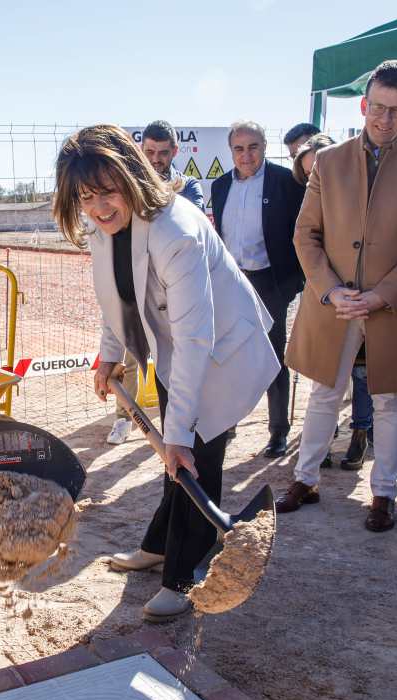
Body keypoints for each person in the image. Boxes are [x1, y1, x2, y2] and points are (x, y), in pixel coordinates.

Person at [53, 124, 278, 621]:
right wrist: (109, 352)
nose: (97, 206)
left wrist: (178, 433)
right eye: (85, 196)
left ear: (132, 177)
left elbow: (197, 338)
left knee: (195, 459)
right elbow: (118, 295)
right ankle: (160, 545)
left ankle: (183, 576)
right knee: (175, 459)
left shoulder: (175, 230)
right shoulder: (104, 226)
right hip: (173, 350)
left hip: (220, 354)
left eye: (106, 191)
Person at [277, 60, 397, 532]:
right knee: (324, 393)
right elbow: (305, 234)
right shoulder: (328, 162)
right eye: (378, 107)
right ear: (364, 104)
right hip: (333, 305)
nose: (385, 119)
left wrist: (381, 295)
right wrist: (331, 290)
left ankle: (384, 493)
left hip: (390, 306)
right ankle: (305, 479)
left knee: (391, 399)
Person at [210, 121, 306, 457]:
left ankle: (278, 431)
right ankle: (228, 422)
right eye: (239, 148)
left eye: (253, 147)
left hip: (270, 284)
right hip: (231, 282)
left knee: (273, 358)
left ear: (264, 147)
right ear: (231, 151)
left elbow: (304, 235)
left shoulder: (286, 182)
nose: (246, 155)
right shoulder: (221, 186)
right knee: (230, 355)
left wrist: (291, 285)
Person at [108, 120, 206, 445]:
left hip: (174, 288)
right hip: (138, 285)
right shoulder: (129, 188)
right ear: (141, 150)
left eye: (163, 153)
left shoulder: (188, 186)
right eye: (150, 151)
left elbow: (183, 223)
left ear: (175, 151)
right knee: (134, 353)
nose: (156, 159)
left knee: (176, 360)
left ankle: (179, 428)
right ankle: (125, 417)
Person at [293, 134, 374, 470]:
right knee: (325, 377)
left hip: (363, 295)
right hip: (325, 298)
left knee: (362, 373)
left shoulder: (357, 187)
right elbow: (305, 238)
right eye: (309, 172)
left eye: (318, 170)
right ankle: (321, 446)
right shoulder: (306, 198)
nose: (315, 177)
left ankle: (360, 434)